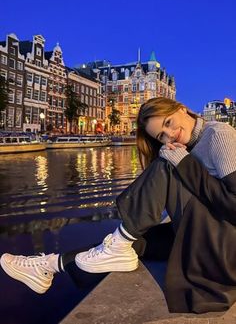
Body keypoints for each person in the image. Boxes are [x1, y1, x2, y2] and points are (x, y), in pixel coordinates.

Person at [1, 97, 236, 313]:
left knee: (167, 165)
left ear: (182, 109)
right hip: (212, 239)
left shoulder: (218, 134)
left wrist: (182, 163)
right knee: (134, 243)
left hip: (226, 254)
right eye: (161, 136)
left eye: (168, 122)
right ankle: (50, 265)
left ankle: (119, 242)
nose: (170, 135)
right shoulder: (188, 146)